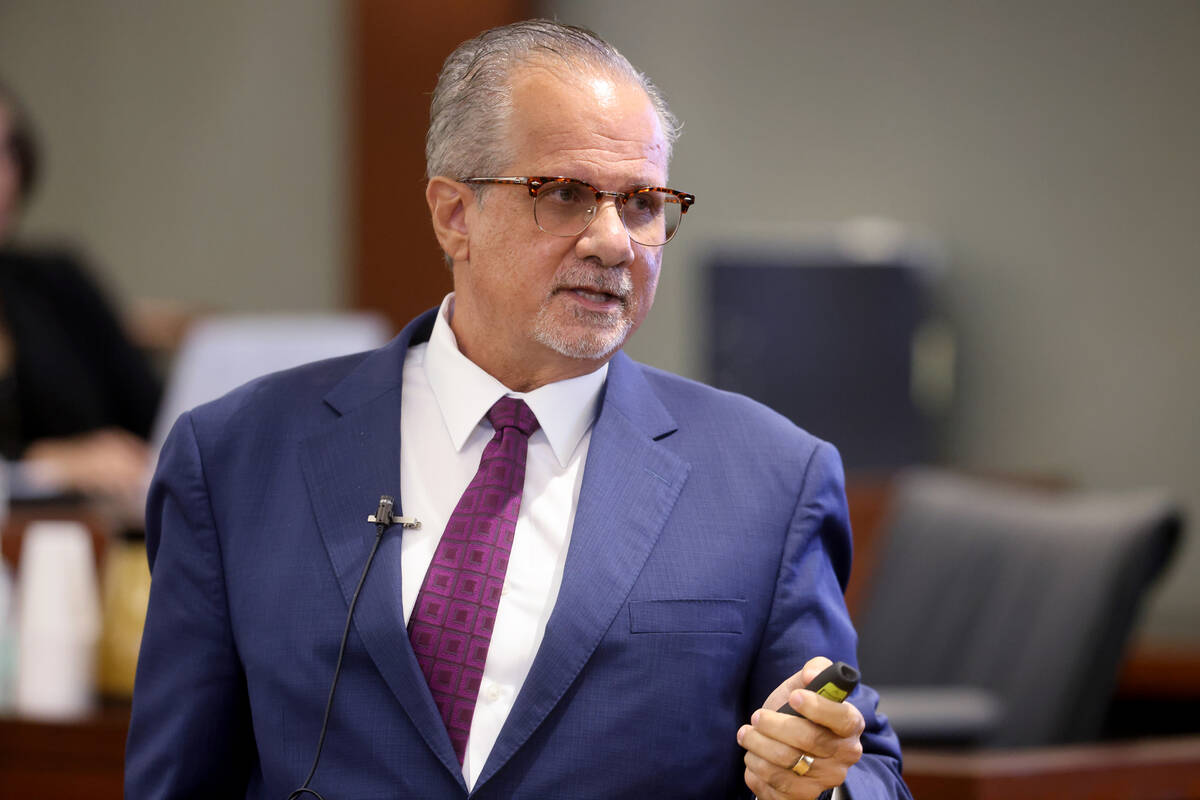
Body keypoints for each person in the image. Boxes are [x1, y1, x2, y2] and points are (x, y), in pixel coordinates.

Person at [126, 20, 909, 800]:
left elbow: (860, 765)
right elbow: (178, 779)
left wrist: (819, 784)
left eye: (641, 204)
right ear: (453, 214)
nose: (613, 243)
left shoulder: (769, 478)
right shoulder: (236, 457)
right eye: (564, 195)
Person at [0, 80, 160, 504]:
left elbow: (154, 414)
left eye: (8, 151)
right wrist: (40, 466)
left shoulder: (57, 282)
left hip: (91, 539)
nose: (4, 176)